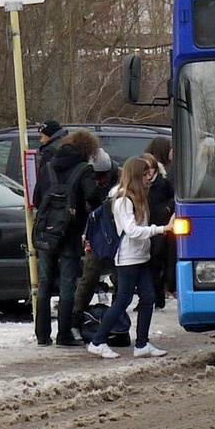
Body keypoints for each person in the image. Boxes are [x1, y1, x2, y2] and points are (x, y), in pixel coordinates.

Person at [87, 158, 174, 359]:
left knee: (148, 297)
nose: (149, 178)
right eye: (145, 175)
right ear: (136, 176)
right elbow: (132, 230)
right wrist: (161, 229)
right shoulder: (123, 200)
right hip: (127, 257)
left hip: (140, 255)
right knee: (123, 300)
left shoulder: (138, 198)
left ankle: (142, 343)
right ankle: (98, 341)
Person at [34, 129, 101, 347]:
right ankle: (64, 334)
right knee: (67, 285)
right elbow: (93, 196)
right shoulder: (85, 170)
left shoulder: (48, 167)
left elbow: (36, 198)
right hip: (71, 233)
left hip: (47, 231)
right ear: (88, 149)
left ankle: (42, 335)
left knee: (44, 284)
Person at [73, 148, 119, 317]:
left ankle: (116, 316)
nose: (99, 181)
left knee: (119, 278)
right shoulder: (85, 180)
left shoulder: (119, 180)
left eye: (102, 177)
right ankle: (77, 315)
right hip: (95, 233)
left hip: (116, 234)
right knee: (90, 276)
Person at [141, 152, 175, 308]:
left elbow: (173, 198)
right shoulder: (140, 185)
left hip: (160, 226)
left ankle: (158, 297)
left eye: (151, 169)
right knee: (145, 263)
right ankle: (147, 298)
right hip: (144, 225)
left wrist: (167, 208)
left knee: (156, 261)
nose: (149, 173)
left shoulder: (163, 183)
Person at [31, 119, 68, 207]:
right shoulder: (67, 145)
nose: (41, 140)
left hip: (52, 202)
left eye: (42, 136)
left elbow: (45, 181)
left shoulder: (49, 152)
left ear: (49, 135)